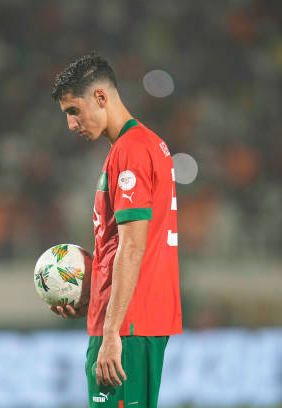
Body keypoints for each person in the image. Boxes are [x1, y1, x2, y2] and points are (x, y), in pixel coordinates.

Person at [50, 54, 181, 408]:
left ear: (100, 97)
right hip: (129, 321)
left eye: (74, 111)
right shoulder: (140, 146)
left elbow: (133, 247)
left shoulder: (131, 151)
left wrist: (112, 331)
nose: (71, 124)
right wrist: (94, 297)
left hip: (129, 327)